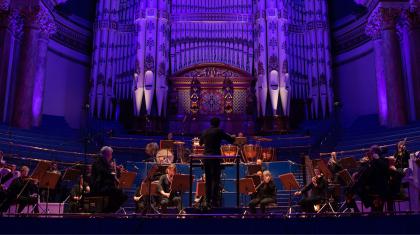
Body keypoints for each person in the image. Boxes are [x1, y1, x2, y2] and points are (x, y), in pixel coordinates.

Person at [199, 117, 235, 209]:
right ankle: (214, 201)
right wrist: (233, 136)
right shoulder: (219, 131)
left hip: (206, 158)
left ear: (210, 123)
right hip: (215, 158)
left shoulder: (205, 131)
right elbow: (231, 140)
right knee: (215, 179)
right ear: (218, 124)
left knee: (208, 180)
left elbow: (200, 143)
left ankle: (207, 201)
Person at [91, 146, 127, 213]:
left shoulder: (104, 162)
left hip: (105, 186)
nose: (111, 157)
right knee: (120, 194)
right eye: (110, 154)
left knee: (122, 195)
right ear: (106, 154)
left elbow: (108, 173)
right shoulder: (98, 162)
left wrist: (116, 170)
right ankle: (108, 211)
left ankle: (109, 211)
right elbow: (103, 172)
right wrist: (112, 170)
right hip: (99, 187)